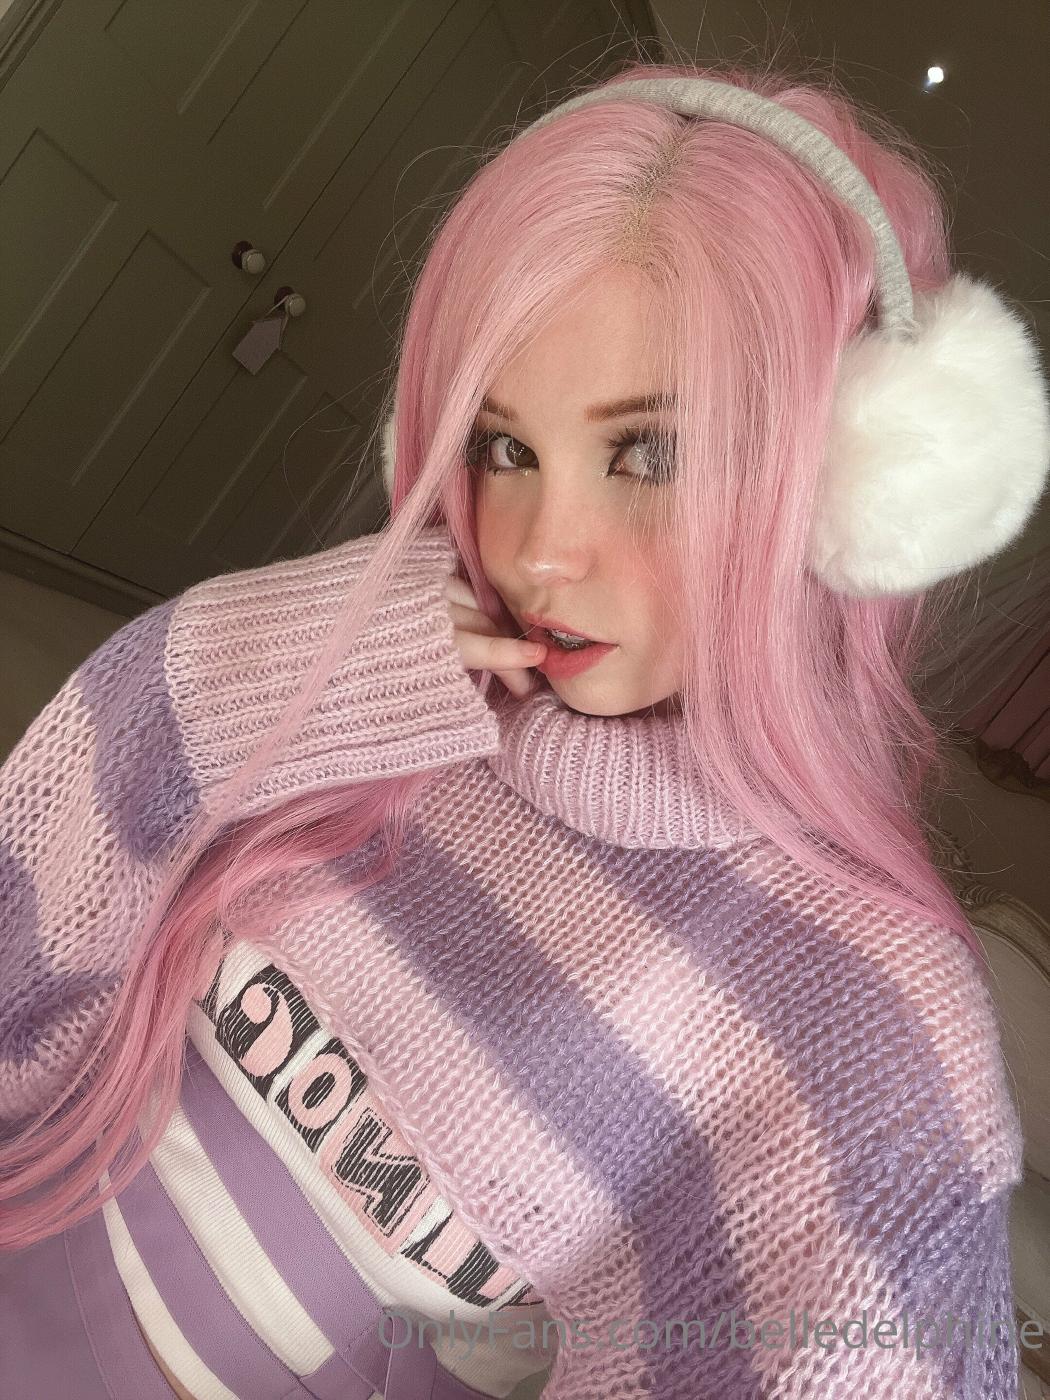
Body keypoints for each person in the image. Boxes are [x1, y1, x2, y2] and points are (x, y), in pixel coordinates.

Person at [2, 55, 1048, 1400]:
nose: (542, 551)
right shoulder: (376, 679)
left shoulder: (870, 1023)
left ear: (852, 489)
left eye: (648, 454)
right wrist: (279, 653)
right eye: (504, 447)